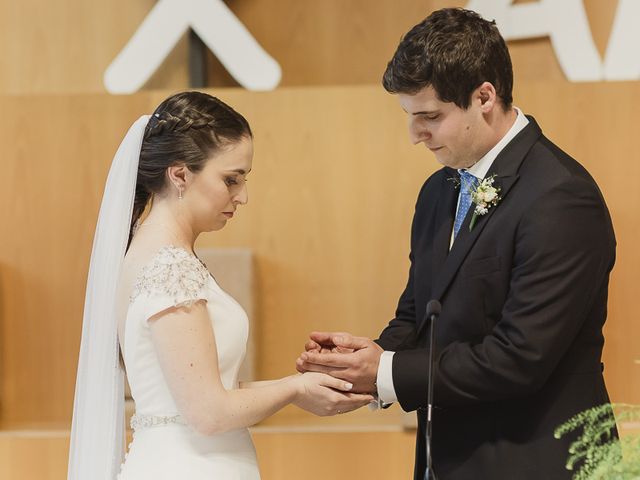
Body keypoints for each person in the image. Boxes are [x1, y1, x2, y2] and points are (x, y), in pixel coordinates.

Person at [297, 8, 616, 480]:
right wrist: (362, 362)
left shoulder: (560, 196)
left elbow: (519, 358)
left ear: (484, 96)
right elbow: (419, 315)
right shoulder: (439, 190)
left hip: (536, 460)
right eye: (409, 117)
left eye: (430, 116)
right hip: (447, 459)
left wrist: (385, 372)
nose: (414, 135)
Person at [67, 91, 373, 480]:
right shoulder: (168, 265)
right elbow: (209, 414)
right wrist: (295, 389)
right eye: (231, 179)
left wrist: (307, 384)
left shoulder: (154, 253)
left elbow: (209, 391)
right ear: (179, 174)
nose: (242, 196)